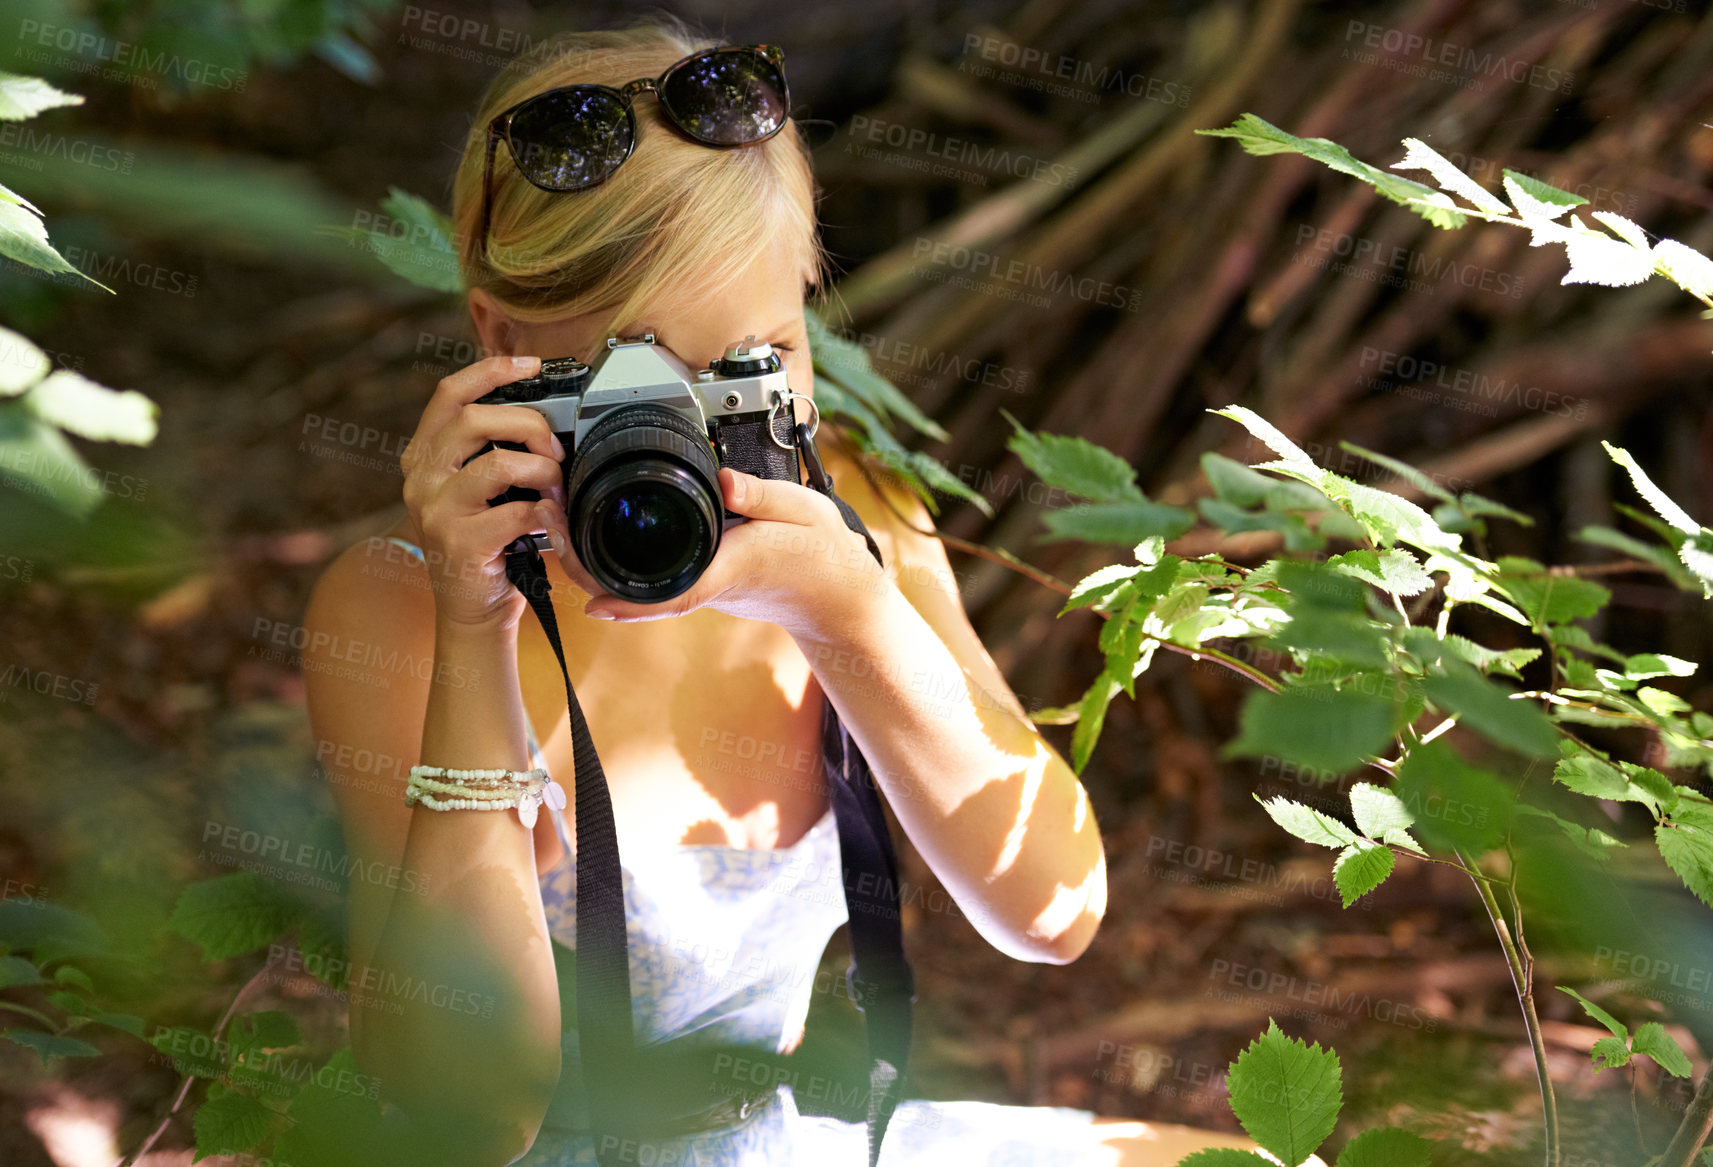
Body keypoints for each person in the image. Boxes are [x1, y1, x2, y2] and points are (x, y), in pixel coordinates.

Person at [302, 18, 1298, 1167]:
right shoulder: (403, 608)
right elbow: (467, 1116)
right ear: (501, 344)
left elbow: (1054, 914)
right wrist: (477, 627)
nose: (683, 438)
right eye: (635, 383)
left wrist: (850, 613)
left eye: (754, 360)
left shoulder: (851, 520)